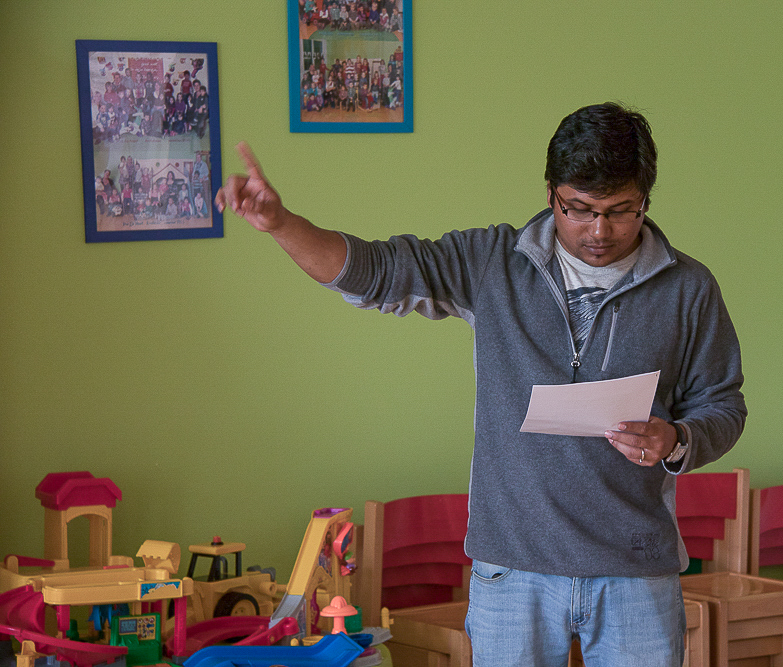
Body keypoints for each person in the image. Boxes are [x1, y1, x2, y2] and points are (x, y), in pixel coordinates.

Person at [216, 102, 746, 667]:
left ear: (646, 201)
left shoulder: (688, 288)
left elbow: (723, 405)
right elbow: (374, 272)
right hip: (511, 570)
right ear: (550, 194)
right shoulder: (492, 262)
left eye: (621, 212)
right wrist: (282, 224)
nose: (599, 231)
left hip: (635, 569)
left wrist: (676, 440)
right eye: (579, 209)